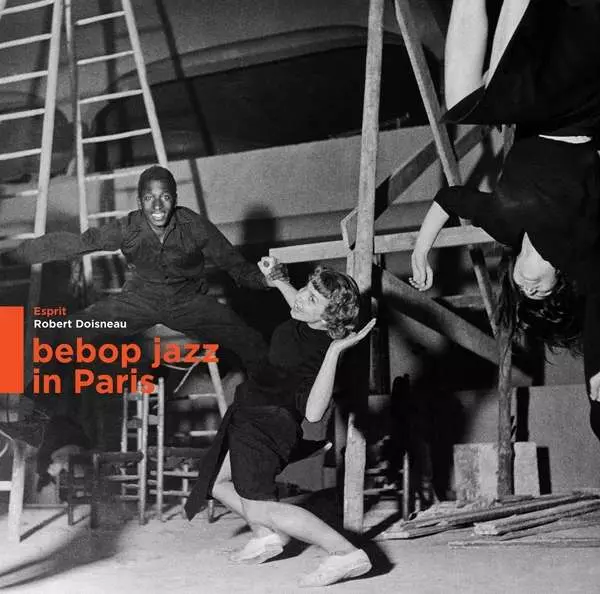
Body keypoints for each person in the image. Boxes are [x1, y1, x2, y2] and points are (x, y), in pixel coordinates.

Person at [0, 165, 283, 478]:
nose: (158, 206)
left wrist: (266, 279)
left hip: (187, 302)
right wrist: (14, 257)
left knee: (251, 341)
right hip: (137, 303)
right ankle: (32, 421)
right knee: (64, 332)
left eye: (165, 197)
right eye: (150, 198)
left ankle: (274, 416)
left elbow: (237, 267)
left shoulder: (195, 226)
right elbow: (79, 243)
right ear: (140, 201)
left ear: (174, 198)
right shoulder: (129, 226)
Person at [409, 0, 600, 441]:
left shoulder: (503, 225)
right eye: (541, 293)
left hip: (537, 107)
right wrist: (597, 371)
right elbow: (599, 311)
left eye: (523, 293)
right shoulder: (578, 247)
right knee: (502, 90)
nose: (529, 288)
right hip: (582, 109)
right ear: (560, 281)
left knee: (465, 103)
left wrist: (421, 249)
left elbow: (450, 198)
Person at [184, 260, 375, 588]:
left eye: (312, 298)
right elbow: (299, 302)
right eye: (307, 289)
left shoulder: (322, 351)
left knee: (260, 507)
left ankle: (345, 553)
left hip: (266, 425)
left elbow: (313, 413)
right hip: (249, 412)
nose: (301, 298)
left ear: (329, 317)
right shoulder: (306, 320)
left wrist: (335, 352)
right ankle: (266, 537)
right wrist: (280, 280)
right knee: (216, 480)